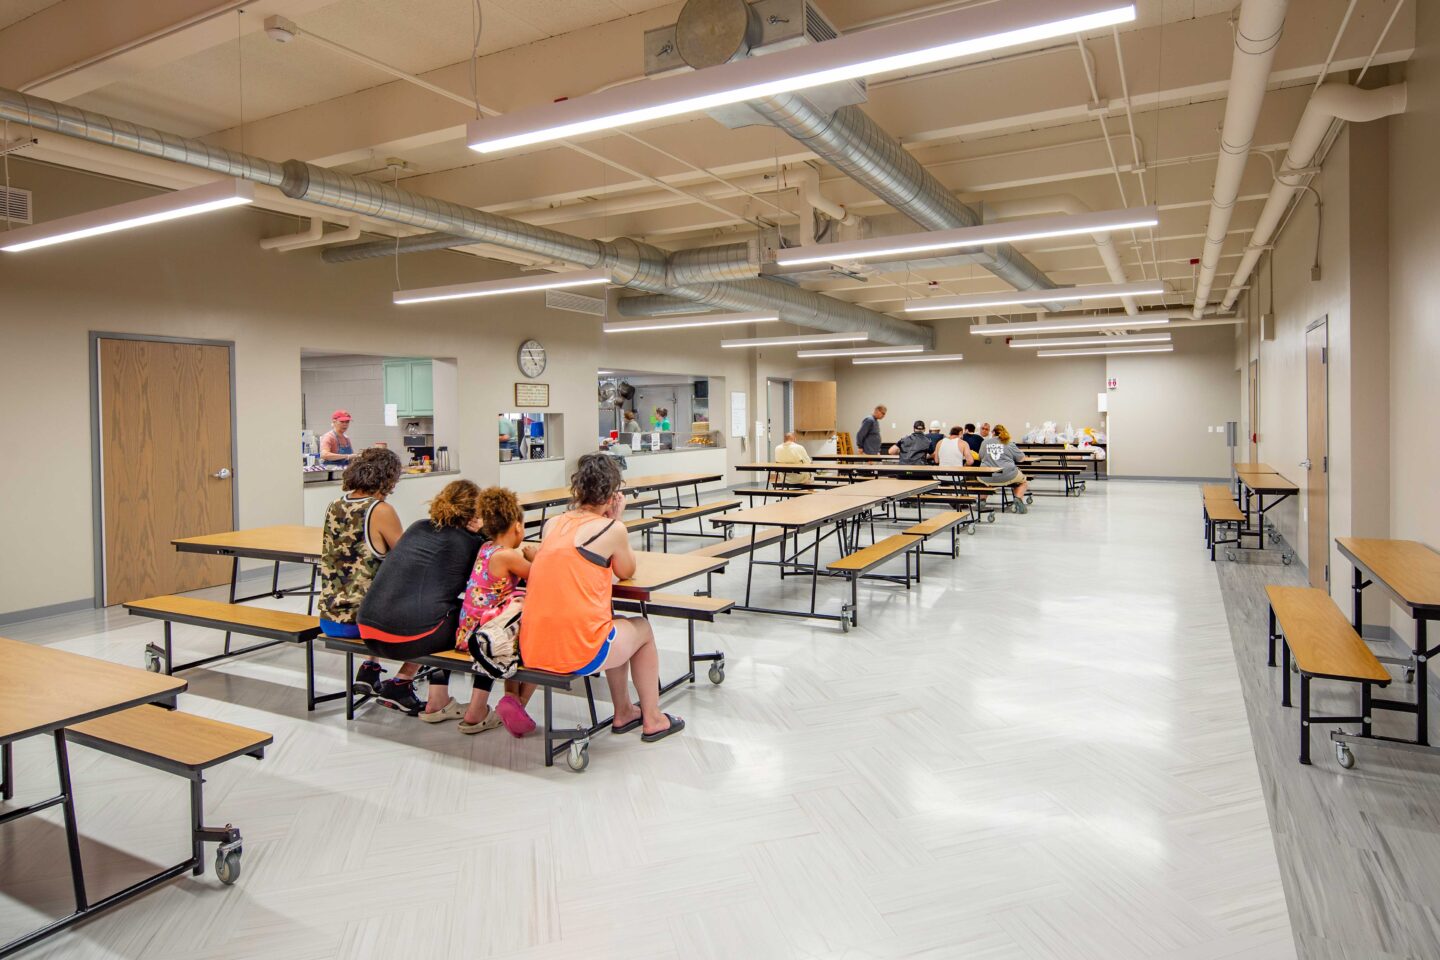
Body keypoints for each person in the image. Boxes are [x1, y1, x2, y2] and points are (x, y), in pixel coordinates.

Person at [520, 453, 682, 742]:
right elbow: (626, 569)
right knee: (641, 630)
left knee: (616, 623)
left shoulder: (552, 524)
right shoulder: (612, 528)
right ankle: (654, 718)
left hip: (535, 646)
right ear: (611, 494)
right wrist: (617, 521)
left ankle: (624, 711)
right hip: (576, 650)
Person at [357, 480, 498, 727]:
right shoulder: (471, 544)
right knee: (474, 622)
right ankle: (440, 700)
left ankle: (405, 683)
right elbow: (487, 576)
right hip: (404, 638)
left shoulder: (417, 527)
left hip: (368, 627)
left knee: (434, 614)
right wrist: (484, 530)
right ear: (475, 512)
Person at [317, 448, 409, 701]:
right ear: (388, 478)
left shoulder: (335, 505)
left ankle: (370, 666)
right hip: (366, 623)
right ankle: (403, 681)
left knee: (368, 585)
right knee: (435, 613)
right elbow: (405, 557)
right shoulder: (380, 510)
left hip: (330, 616)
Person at [457, 486, 540, 737]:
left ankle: (511, 697)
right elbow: (538, 577)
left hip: (469, 630)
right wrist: (534, 557)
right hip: (486, 636)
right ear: (516, 526)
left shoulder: (486, 548)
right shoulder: (507, 556)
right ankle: (513, 700)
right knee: (536, 639)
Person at [977, 423, 1031, 513]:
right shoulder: (1009, 443)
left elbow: (981, 457)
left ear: (993, 432)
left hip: (987, 475)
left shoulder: (985, 442)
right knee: (1023, 481)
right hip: (1007, 475)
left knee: (984, 483)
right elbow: (1021, 458)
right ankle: (1018, 498)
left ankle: (982, 501)